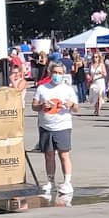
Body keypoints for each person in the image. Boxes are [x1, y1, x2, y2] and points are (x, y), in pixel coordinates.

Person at [32, 59, 79, 197]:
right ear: (50, 73)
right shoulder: (42, 88)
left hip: (63, 125)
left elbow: (76, 108)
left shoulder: (68, 89)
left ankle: (67, 182)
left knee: (64, 154)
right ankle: (50, 181)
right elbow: (34, 106)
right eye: (55, 72)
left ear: (64, 74)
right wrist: (41, 106)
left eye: (60, 73)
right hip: (46, 126)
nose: (57, 75)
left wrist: (71, 104)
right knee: (49, 155)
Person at [88, 51, 107, 116]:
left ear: (99, 58)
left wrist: (100, 73)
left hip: (100, 81)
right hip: (94, 82)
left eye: (96, 57)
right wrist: (88, 77)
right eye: (94, 57)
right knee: (95, 96)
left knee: (100, 95)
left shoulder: (102, 65)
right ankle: (96, 109)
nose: (95, 58)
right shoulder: (91, 65)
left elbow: (105, 74)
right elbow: (89, 73)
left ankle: (98, 110)